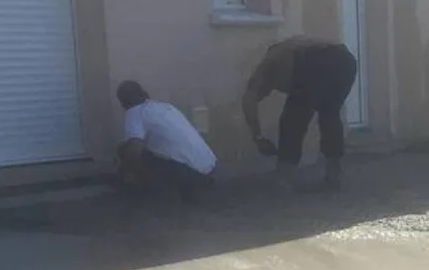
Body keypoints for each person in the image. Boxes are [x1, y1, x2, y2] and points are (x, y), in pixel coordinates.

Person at [242, 38, 360, 188]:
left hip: (317, 60)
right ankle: (334, 172)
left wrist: (257, 137)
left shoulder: (269, 63)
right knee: (330, 113)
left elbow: (249, 99)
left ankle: (285, 175)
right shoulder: (288, 51)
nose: (266, 95)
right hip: (346, 61)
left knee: (292, 120)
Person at [115, 81, 217, 199]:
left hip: (190, 174)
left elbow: (134, 150)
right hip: (211, 168)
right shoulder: (165, 107)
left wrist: (126, 174)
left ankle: (150, 194)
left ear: (124, 102)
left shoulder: (134, 112)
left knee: (126, 150)